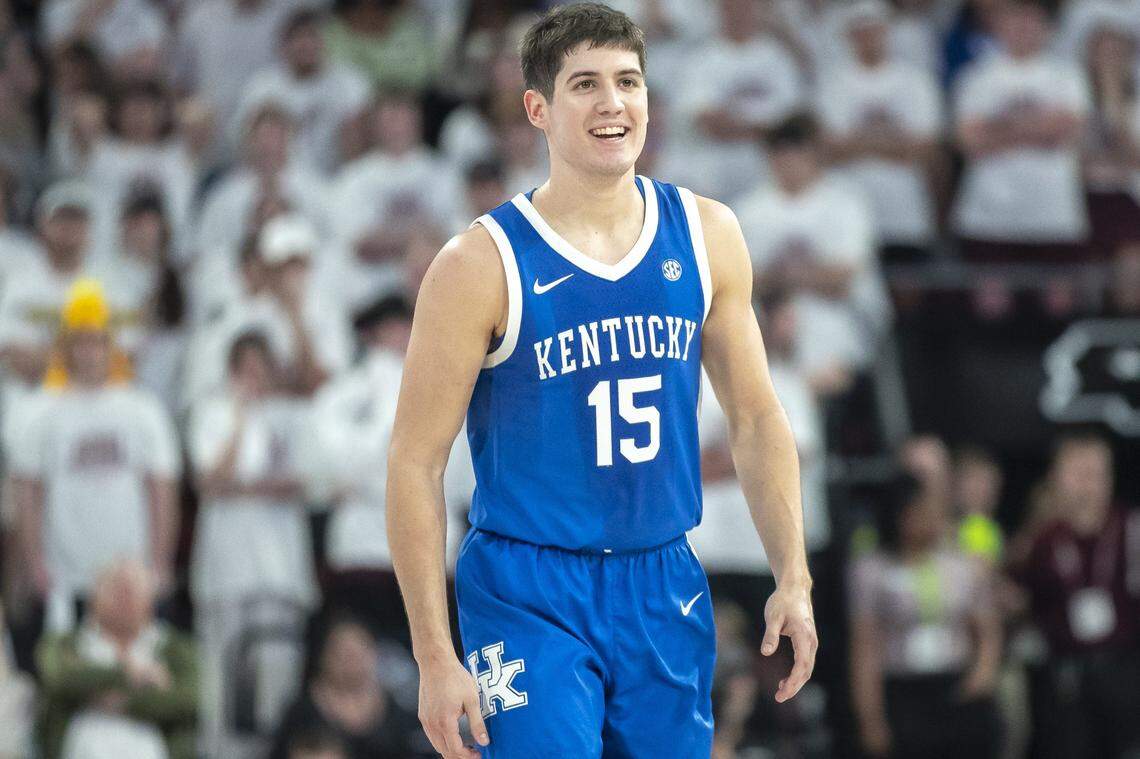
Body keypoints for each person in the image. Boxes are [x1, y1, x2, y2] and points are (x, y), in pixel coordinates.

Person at [386, 4, 817, 757]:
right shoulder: (477, 264)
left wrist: (795, 574)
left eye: (628, 81)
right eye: (585, 84)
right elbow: (414, 461)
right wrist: (432, 652)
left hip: (664, 576)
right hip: (527, 587)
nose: (612, 103)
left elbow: (754, 416)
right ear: (538, 109)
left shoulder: (708, 233)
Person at [849, 473, 1003, 759]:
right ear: (899, 516)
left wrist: (983, 673)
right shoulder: (871, 570)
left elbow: (986, 626)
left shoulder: (960, 563)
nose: (931, 519)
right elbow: (865, 648)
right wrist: (870, 718)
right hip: (905, 692)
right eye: (920, 512)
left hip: (956, 684)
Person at [36, 559, 198, 759]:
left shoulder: (177, 648)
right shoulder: (65, 643)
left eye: (132, 590)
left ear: (151, 599)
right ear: (94, 596)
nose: (124, 599)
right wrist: (129, 674)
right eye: (116, 589)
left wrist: (117, 701)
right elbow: (59, 679)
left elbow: (188, 700)